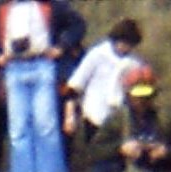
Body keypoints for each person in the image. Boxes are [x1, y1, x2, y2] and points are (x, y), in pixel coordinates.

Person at [0, 1, 70, 172]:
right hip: (14, 67)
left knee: (45, 123)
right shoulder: (1, 8)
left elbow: (77, 25)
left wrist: (62, 46)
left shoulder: (48, 5)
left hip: (42, 63)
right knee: (18, 127)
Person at [61, 18, 143, 153]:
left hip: (120, 119)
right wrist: (69, 116)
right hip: (94, 115)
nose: (124, 47)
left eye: (129, 44)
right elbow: (75, 85)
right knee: (97, 155)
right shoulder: (97, 55)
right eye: (122, 42)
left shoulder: (135, 64)